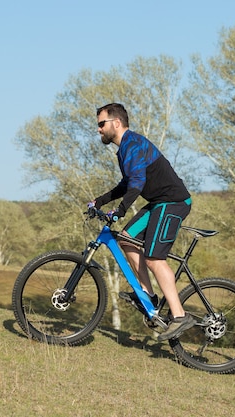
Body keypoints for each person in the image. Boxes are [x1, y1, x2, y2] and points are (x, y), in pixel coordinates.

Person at [91, 102, 194, 341]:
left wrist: (119, 211)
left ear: (116, 123)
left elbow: (137, 183)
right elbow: (126, 185)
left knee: (154, 258)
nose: (98, 129)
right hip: (159, 203)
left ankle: (179, 316)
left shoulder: (133, 144)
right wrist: (100, 201)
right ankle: (148, 295)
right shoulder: (124, 148)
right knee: (127, 240)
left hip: (173, 202)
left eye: (101, 124)